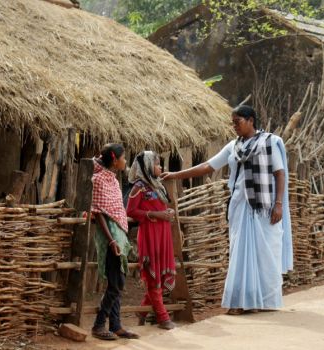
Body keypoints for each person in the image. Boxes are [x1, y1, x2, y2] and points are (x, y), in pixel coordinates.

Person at [161, 105, 293, 314]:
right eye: (232, 123)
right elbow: (208, 166)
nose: (234, 127)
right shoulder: (233, 146)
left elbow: (280, 174)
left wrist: (278, 204)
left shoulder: (270, 143)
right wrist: (176, 175)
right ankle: (240, 302)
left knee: (265, 254)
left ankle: (264, 301)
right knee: (240, 252)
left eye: (237, 122)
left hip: (263, 208)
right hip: (240, 206)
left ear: (251, 120)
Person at [90, 144, 139, 340]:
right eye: (124, 157)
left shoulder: (112, 179)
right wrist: (111, 241)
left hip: (118, 234)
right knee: (116, 283)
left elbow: (115, 210)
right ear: (114, 159)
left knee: (118, 279)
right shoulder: (98, 179)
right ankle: (99, 324)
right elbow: (99, 212)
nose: (126, 161)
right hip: (110, 237)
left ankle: (116, 324)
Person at [126, 151, 177, 330]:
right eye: (157, 164)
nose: (160, 167)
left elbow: (162, 206)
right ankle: (163, 317)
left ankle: (141, 311)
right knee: (153, 275)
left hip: (163, 233)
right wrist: (155, 214)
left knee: (163, 275)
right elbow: (130, 211)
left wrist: (167, 212)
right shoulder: (139, 187)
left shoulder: (158, 186)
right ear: (147, 166)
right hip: (149, 234)